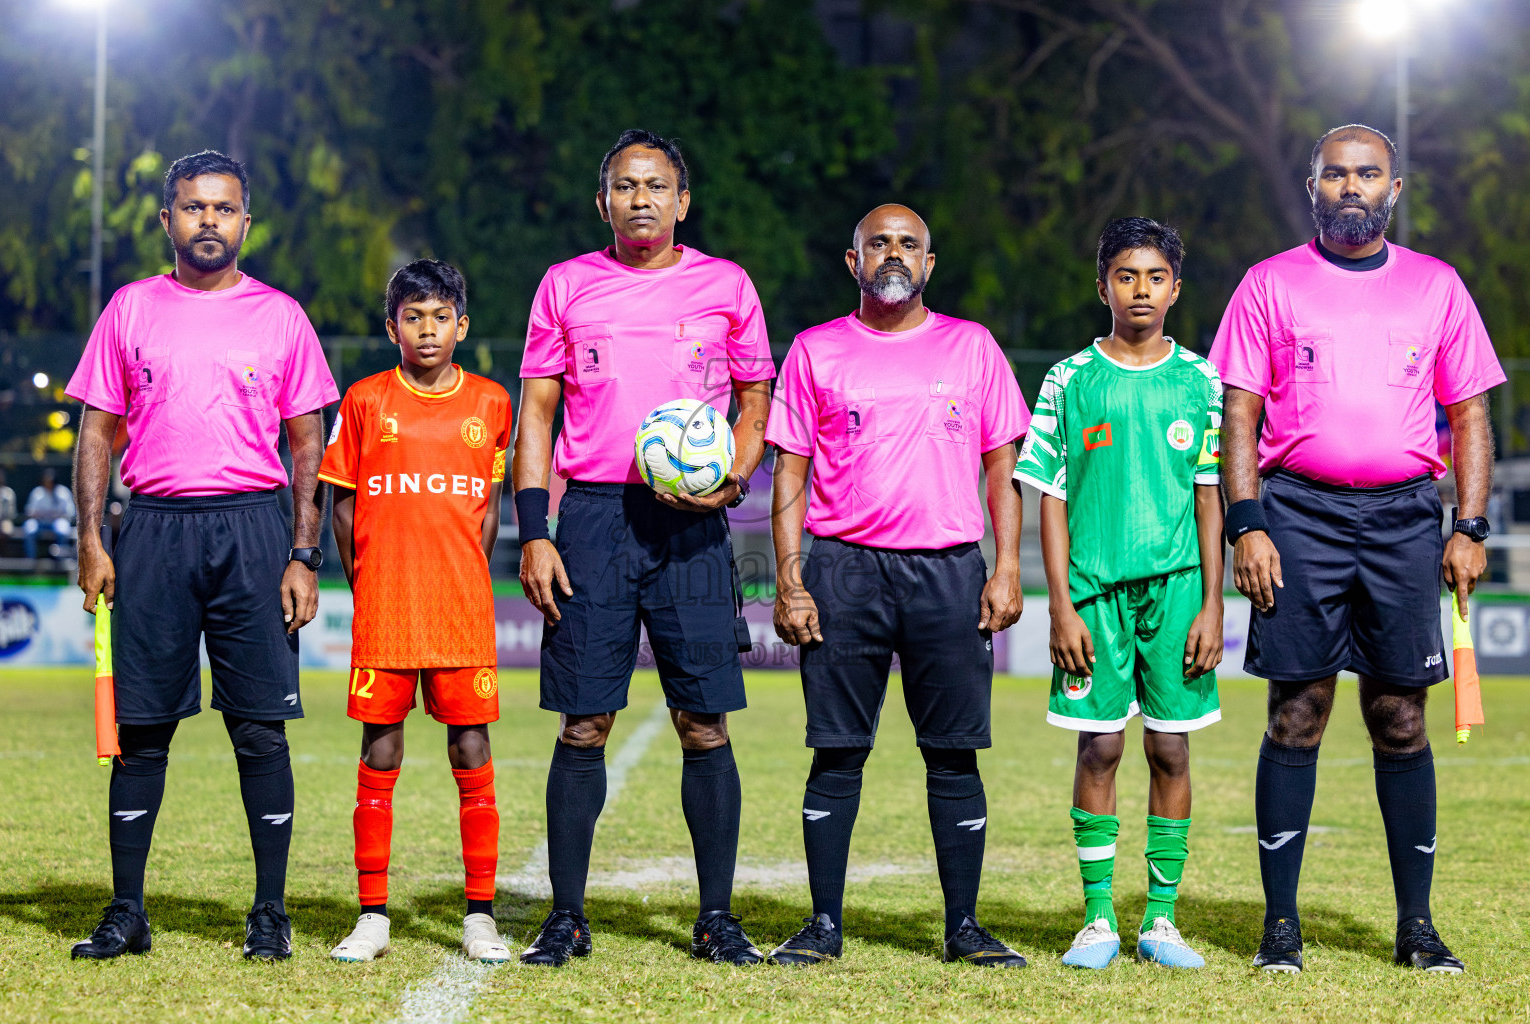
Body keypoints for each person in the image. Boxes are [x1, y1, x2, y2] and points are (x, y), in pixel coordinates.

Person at [1212, 124, 1502, 975]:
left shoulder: (1437, 287)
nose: (1350, 187)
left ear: (1394, 188)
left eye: (1366, 174)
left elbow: (1470, 415)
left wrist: (1470, 526)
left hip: (1407, 518)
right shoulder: (1269, 284)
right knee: (1296, 712)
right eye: (1335, 174)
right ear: (1313, 185)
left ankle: (1417, 927)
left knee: (1399, 717)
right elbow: (1239, 414)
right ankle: (1280, 930)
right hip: (1297, 515)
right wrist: (1247, 521)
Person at [66, 150, 337, 961]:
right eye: (193, 208)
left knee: (260, 730)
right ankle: (126, 912)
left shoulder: (281, 316)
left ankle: (270, 911)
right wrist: (91, 536)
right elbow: (96, 432)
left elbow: (307, 443)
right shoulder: (129, 308)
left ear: (245, 221)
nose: (208, 220)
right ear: (168, 220)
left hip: (254, 531)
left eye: (223, 208)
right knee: (142, 732)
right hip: (152, 529)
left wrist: (303, 551)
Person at [513, 129, 775, 966]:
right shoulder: (566, 285)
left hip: (692, 526)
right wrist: (534, 531)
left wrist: (730, 482)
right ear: (604, 202)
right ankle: (566, 917)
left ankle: (717, 918)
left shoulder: (726, 285)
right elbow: (538, 416)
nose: (640, 199)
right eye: (624, 186)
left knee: (705, 723)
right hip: (592, 518)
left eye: (655, 186)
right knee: (584, 722)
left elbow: (754, 397)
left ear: (682, 201)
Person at [766, 204, 1030, 968]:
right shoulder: (816, 351)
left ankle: (965, 927)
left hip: (947, 571)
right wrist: (790, 581)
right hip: (843, 569)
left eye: (908, 243)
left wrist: (1006, 567)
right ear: (853, 262)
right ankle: (822, 925)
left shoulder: (972, 347)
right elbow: (791, 470)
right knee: (837, 750)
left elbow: (1002, 468)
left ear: (929, 263)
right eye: (877, 242)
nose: (893, 253)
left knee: (953, 754)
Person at [1016, 218, 1224, 970]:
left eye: (1155, 276)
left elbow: (1209, 495)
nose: (1141, 290)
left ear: (1176, 287)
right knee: (1099, 744)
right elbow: (1047, 494)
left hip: (1177, 593)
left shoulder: (1200, 380)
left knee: (1170, 748)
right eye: (1126, 275)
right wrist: (1060, 606)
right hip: (1093, 596)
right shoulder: (1069, 380)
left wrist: (1213, 603)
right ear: (1101, 284)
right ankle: (1098, 919)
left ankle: (1161, 920)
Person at [319, 260, 513, 964]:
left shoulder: (492, 402)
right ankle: (373, 914)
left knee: (471, 749)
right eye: (412, 317)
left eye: (439, 317)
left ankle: (481, 915)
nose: (426, 329)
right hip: (386, 606)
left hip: (461, 607)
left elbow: (486, 512)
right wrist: (366, 580)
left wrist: (466, 570)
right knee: (381, 748)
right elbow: (341, 505)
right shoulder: (366, 399)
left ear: (462, 325)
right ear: (392, 326)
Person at [22, 467, 76, 560]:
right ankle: (30, 560)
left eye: (50, 480)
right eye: (46, 480)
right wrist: (40, 514)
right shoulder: (37, 492)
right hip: (40, 523)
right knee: (29, 528)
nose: (48, 483)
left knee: (62, 530)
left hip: (57, 522)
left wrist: (57, 515)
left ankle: (61, 560)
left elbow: (70, 512)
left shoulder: (63, 492)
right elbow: (29, 512)